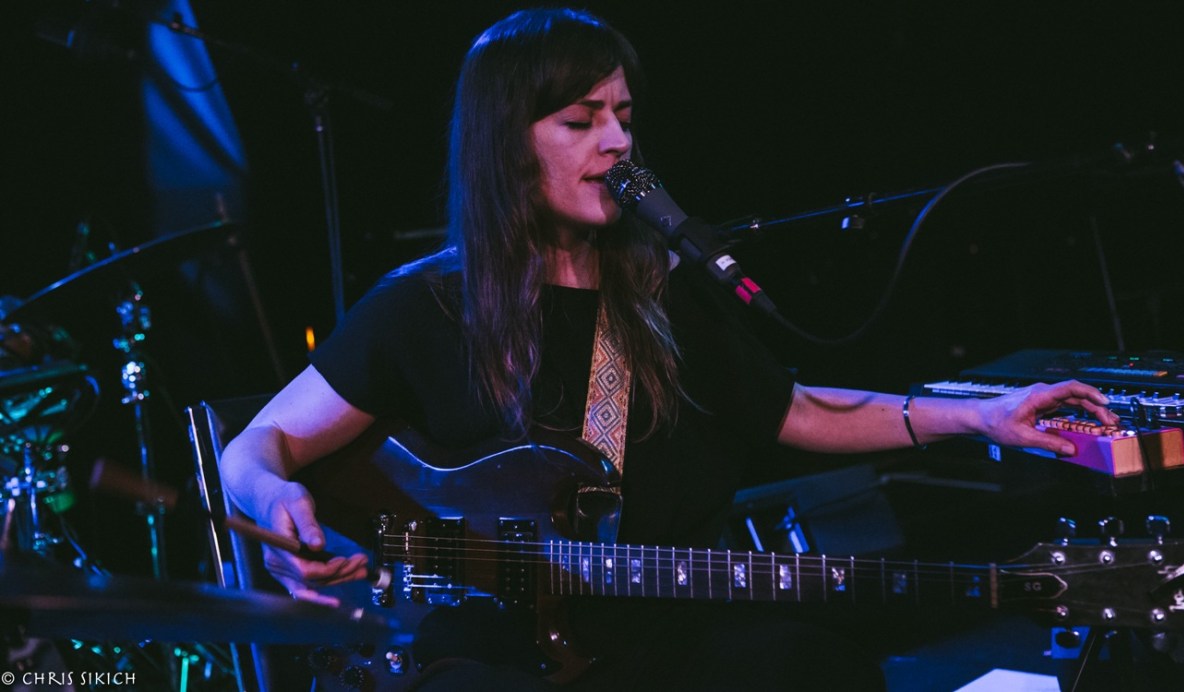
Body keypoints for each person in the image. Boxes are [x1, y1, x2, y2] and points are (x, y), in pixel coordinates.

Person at [218, 7, 1119, 689]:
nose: (617, 141)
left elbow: (796, 410)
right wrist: (275, 499)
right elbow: (257, 446)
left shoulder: (661, 287)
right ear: (506, 144)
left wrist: (984, 417)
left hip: (662, 633)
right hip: (490, 647)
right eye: (580, 120)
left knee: (814, 664)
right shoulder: (424, 305)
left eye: (622, 114)